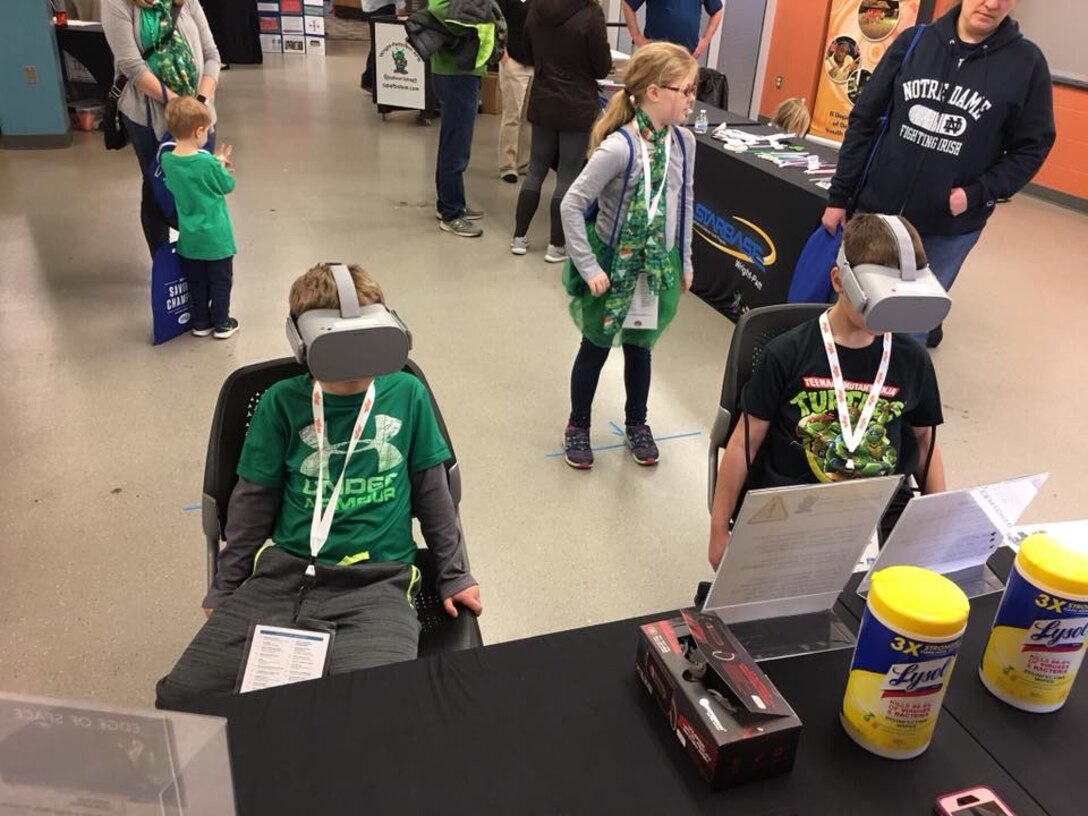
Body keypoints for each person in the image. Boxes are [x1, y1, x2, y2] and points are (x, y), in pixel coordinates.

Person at [156, 263, 483, 710]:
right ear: (303, 343)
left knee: (373, 709)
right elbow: (252, 504)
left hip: (379, 583)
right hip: (285, 576)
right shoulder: (280, 403)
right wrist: (226, 586)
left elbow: (434, 495)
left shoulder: (406, 393)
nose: (355, 366)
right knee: (184, 699)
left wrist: (453, 574)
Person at [707, 214, 947, 571]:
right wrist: (719, 531)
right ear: (838, 280)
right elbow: (744, 443)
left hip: (878, 512)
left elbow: (925, 444)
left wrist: (938, 526)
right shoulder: (787, 353)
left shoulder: (912, 361)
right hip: (794, 507)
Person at [822, 0, 1055, 348]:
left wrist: (976, 193)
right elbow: (864, 120)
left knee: (908, 332)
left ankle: (894, 383)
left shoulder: (1027, 64)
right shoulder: (914, 42)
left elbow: (1032, 148)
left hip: (947, 230)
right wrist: (839, 197)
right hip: (876, 212)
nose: (992, 4)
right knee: (849, 313)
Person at [558, 43, 697, 469]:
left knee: (641, 348)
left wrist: (685, 260)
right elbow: (571, 204)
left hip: (655, 266)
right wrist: (588, 266)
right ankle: (578, 425)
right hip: (612, 266)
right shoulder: (619, 148)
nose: (692, 100)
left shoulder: (685, 143)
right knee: (595, 346)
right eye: (686, 90)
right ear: (654, 92)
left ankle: (637, 422)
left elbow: (685, 200)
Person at [103, 0, 222, 258]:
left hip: (199, 119)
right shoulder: (117, 4)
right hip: (150, 120)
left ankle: (201, 261)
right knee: (157, 195)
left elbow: (212, 55)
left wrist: (199, 103)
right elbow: (132, 66)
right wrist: (179, 106)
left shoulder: (186, 2)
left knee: (200, 195)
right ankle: (163, 264)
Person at [511, 0, 611, 262]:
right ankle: (556, 245)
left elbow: (527, 53)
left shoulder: (536, 7)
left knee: (535, 170)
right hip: (577, 104)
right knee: (567, 175)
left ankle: (519, 237)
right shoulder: (591, 13)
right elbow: (602, 67)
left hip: (543, 99)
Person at [161, 96, 238, 339]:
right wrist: (221, 165)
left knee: (197, 282)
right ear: (199, 131)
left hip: (190, 237)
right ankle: (222, 322)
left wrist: (213, 164)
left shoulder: (167, 159)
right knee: (220, 281)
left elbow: (184, 176)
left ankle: (201, 322)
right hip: (216, 237)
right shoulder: (207, 162)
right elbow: (227, 185)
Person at [428, 0, 499, 238]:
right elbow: (437, 8)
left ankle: (448, 203)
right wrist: (469, 23)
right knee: (456, 146)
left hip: (461, 70)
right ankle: (452, 213)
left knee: (451, 141)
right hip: (457, 73)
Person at [496, 0, 533, 184]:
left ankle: (523, 162)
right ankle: (508, 165)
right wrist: (503, 57)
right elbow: (496, 23)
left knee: (530, 116)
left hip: (535, 63)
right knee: (512, 115)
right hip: (513, 61)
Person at [621, 0, 722, 60]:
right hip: (656, 53)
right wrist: (636, 36)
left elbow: (717, 11)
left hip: (687, 55)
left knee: (682, 89)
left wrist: (705, 41)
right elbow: (628, 5)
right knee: (653, 88)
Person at [360, 0, 409, 93]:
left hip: (372, 7)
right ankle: (370, 79)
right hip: (382, 7)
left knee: (378, 43)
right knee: (381, 44)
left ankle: (371, 79)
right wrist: (401, 6)